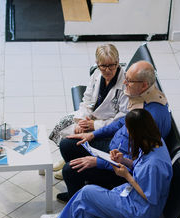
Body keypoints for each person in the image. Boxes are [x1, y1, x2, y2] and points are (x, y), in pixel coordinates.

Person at [40, 109, 173, 218]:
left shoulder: (155, 164)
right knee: (86, 206)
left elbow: (150, 196)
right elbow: (139, 167)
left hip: (139, 212)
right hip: (130, 197)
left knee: (88, 193)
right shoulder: (153, 142)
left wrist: (127, 176)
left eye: (129, 131)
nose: (127, 134)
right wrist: (124, 160)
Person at [56, 60, 171, 202]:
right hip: (115, 150)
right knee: (68, 144)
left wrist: (98, 162)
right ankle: (82, 184)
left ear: (144, 85)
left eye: (129, 81)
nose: (124, 83)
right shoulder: (143, 100)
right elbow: (121, 123)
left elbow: (135, 166)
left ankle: (79, 202)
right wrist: (93, 134)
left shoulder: (152, 118)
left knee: (71, 170)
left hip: (120, 168)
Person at [49, 44, 129, 176]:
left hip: (106, 125)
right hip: (91, 116)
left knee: (74, 137)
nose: (107, 70)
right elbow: (87, 99)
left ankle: (71, 165)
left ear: (118, 62)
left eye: (111, 66)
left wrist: (94, 125)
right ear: (97, 64)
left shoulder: (125, 84)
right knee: (64, 124)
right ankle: (67, 158)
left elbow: (122, 118)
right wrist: (82, 119)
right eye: (103, 66)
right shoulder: (97, 74)